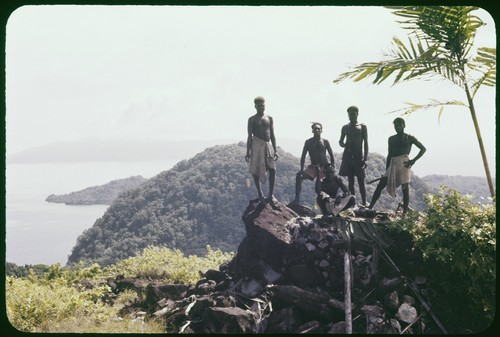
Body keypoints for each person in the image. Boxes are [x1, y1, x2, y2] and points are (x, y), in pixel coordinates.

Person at [368, 117, 426, 216]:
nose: (397, 127)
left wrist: (413, 161)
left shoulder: (409, 138)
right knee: (380, 185)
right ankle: (370, 207)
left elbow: (423, 149)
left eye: (399, 125)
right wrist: (387, 170)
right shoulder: (391, 139)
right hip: (393, 163)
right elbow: (389, 154)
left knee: (405, 188)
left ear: (404, 125)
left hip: (404, 163)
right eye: (395, 125)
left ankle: (404, 213)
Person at [245, 96, 279, 204]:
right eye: (259, 106)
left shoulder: (269, 118)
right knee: (255, 170)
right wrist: (248, 152)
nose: (261, 108)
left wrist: (275, 149)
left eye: (263, 105)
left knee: (272, 169)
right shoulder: (252, 119)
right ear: (255, 106)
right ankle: (260, 194)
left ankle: (270, 195)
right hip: (256, 145)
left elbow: (272, 134)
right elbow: (249, 136)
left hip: (267, 146)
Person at [292, 122, 335, 204]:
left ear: (321, 130)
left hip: (324, 167)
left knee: (323, 186)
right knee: (299, 177)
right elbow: (303, 156)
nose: (317, 130)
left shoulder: (325, 141)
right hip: (313, 167)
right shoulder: (308, 142)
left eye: (318, 129)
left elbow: (331, 155)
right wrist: (301, 170)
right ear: (312, 130)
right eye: (315, 129)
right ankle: (296, 199)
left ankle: (329, 203)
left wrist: (332, 168)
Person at [338, 105, 369, 205]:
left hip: (359, 157)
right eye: (350, 114)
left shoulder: (362, 127)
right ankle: (353, 203)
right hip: (348, 157)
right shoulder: (345, 127)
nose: (351, 116)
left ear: (357, 114)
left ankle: (364, 203)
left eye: (353, 114)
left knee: (361, 182)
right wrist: (345, 144)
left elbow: (366, 143)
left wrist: (365, 158)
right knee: (351, 182)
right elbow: (340, 142)